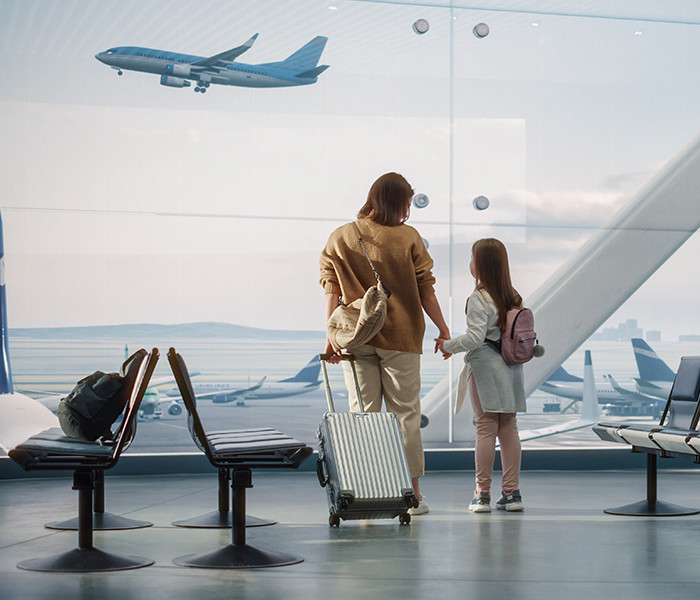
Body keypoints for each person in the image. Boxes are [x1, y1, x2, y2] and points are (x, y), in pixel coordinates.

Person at [320, 172, 450, 515]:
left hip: (355, 337)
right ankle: (412, 495)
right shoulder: (408, 237)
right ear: (401, 202)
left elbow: (330, 287)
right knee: (405, 414)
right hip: (402, 338)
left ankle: (366, 490)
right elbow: (426, 289)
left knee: (363, 415)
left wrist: (331, 335)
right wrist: (443, 328)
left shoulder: (342, 236)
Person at [437, 238, 526, 512]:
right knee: (508, 428)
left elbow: (476, 338)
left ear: (481, 264)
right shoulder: (513, 296)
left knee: (486, 427)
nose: (470, 263)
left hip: (486, 368)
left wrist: (448, 346)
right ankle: (511, 494)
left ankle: (482, 493)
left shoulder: (479, 297)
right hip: (511, 367)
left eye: (472, 257)